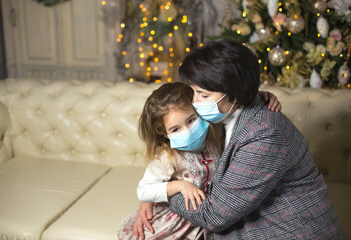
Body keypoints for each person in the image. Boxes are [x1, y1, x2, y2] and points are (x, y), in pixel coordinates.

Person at [132, 40, 343, 239]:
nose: (194, 102)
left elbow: (213, 216)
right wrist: (151, 196)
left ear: (234, 92)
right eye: (193, 92)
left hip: (286, 231)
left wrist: (168, 193)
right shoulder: (223, 111)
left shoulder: (265, 135)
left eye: (202, 95)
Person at [118, 82, 222, 239]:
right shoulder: (169, 155)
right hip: (177, 222)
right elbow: (143, 190)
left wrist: (264, 96)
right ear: (165, 133)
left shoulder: (214, 136)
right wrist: (179, 186)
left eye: (191, 120)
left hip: (208, 217)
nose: (187, 130)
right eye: (175, 129)